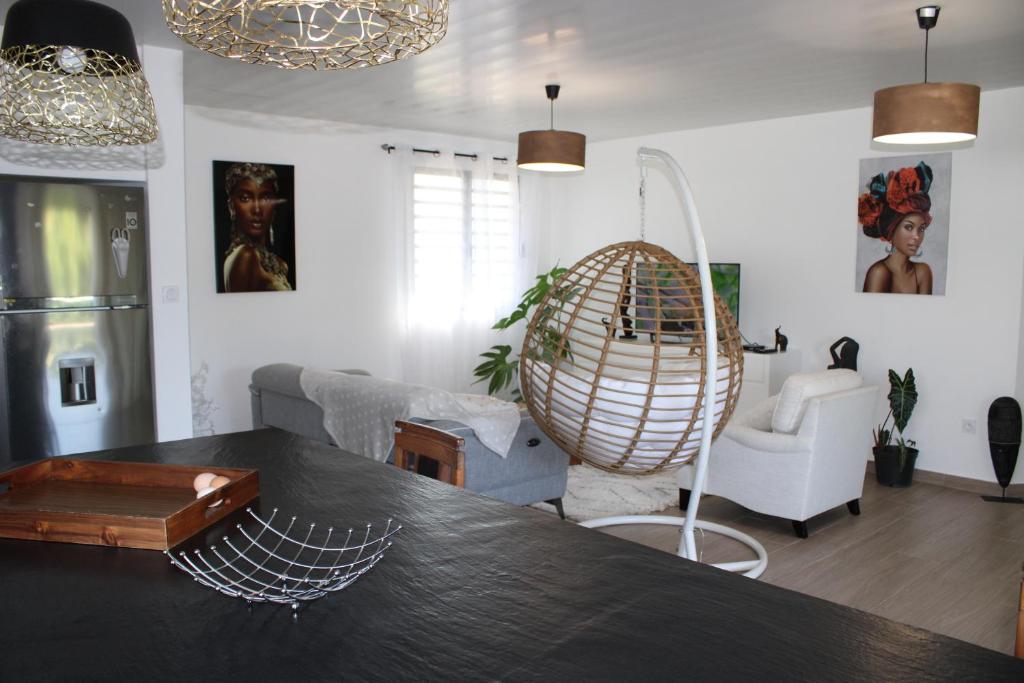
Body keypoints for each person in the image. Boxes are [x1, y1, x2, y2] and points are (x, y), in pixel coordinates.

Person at [858, 161, 934, 295]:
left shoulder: (923, 272)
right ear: (891, 230)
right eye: (909, 227)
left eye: (921, 229)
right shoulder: (879, 272)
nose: (917, 236)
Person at [222, 162, 292, 292]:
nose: (257, 209)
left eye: (265, 199)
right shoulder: (246, 256)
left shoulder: (277, 262)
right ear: (231, 206)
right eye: (245, 198)